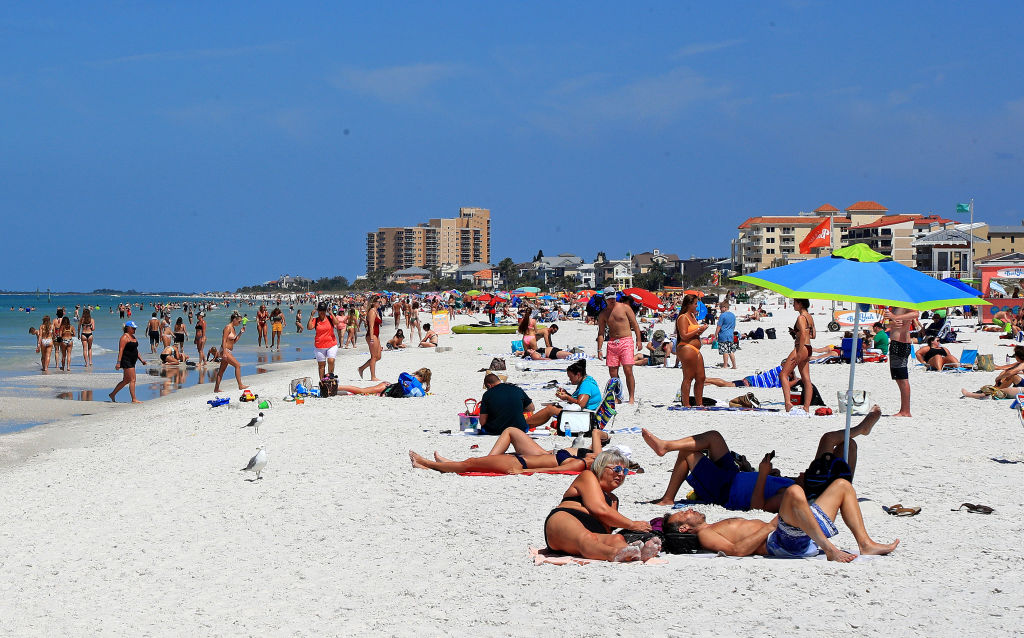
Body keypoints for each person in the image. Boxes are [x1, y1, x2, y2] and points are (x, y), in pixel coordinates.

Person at [641, 405, 881, 507]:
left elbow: (758, 506)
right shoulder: (796, 484)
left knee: (688, 453)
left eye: (804, 475)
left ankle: (668, 498)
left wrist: (764, 475)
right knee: (714, 436)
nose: (800, 473)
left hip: (726, 491)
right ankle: (665, 446)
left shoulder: (793, 493)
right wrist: (770, 474)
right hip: (736, 476)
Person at [666, 479, 898, 562]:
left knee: (842, 486)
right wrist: (768, 526)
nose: (690, 510)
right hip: (780, 542)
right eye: (684, 514)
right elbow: (736, 551)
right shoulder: (706, 534)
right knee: (794, 491)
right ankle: (829, 549)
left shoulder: (714, 526)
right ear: (685, 528)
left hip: (789, 535)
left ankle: (865, 544)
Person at [542, 449, 660, 562]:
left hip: (588, 535)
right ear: (601, 468)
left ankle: (636, 553)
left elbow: (607, 530)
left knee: (616, 538)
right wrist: (632, 524)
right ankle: (614, 553)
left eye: (624, 471)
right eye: (617, 469)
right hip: (566, 519)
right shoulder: (587, 476)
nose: (621, 474)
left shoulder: (613, 500)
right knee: (587, 538)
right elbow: (600, 509)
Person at [409, 426, 601, 474]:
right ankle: (436, 465)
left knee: (470, 465)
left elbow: (555, 470)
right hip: (520, 460)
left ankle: (426, 463)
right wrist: (598, 434)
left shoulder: (580, 462)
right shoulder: (585, 455)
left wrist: (523, 471)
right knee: (472, 464)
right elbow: (597, 444)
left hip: (518, 463)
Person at [596, 287, 644, 404]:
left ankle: (631, 397)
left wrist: (639, 340)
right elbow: (601, 333)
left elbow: (635, 324)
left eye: (613, 297)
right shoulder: (603, 314)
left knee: (628, 369)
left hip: (626, 340)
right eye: (609, 298)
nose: (611, 300)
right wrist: (599, 349)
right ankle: (617, 397)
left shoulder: (625, 308)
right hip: (612, 342)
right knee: (613, 373)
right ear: (605, 299)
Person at [525, 359, 603, 428]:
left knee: (550, 409)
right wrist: (567, 394)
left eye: (570, 377)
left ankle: (524, 423)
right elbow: (579, 400)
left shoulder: (586, 385)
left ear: (578, 375)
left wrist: (567, 397)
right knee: (552, 407)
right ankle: (529, 425)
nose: (569, 379)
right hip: (585, 412)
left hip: (585, 415)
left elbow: (581, 404)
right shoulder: (587, 380)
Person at [781, 298, 815, 413]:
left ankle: (788, 403)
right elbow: (813, 335)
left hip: (801, 347)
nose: (793, 305)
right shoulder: (809, 317)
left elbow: (804, 334)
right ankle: (806, 407)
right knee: (806, 379)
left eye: (794, 303)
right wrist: (796, 333)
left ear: (800, 304)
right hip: (808, 347)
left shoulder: (800, 317)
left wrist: (799, 353)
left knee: (783, 375)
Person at [675, 293, 709, 408]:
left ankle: (699, 403)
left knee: (701, 377)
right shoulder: (683, 317)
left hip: (695, 348)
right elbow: (684, 335)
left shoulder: (693, 316)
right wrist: (699, 329)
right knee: (688, 377)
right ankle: (686, 403)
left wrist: (701, 330)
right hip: (686, 347)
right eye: (695, 304)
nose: (696, 306)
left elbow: (694, 333)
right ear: (689, 304)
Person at [884, 306, 918, 417]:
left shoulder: (905, 303)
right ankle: (904, 410)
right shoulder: (894, 307)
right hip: (896, 343)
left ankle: (905, 411)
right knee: (899, 378)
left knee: (902, 378)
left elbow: (915, 314)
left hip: (901, 343)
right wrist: (890, 324)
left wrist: (895, 316)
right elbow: (889, 326)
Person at [110, 321, 146, 402]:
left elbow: (135, 350)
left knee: (126, 380)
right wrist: (118, 363)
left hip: (133, 361)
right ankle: (134, 399)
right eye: (133, 328)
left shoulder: (133, 337)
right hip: (126, 361)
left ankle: (112, 394)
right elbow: (121, 350)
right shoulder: (124, 338)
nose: (135, 330)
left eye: (135, 328)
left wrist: (141, 360)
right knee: (132, 380)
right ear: (128, 328)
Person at [213, 311, 248, 393]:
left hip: (228, 351)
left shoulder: (233, 329)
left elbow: (233, 341)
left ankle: (216, 389)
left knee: (221, 371)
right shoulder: (228, 328)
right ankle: (240, 385)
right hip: (224, 351)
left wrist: (240, 333)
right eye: (239, 321)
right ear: (234, 319)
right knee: (237, 365)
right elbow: (224, 340)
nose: (239, 323)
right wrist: (224, 352)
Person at [335, 368, 431, 397]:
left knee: (361, 392)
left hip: (387, 387)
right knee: (361, 390)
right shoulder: (415, 382)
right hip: (385, 388)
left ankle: (336, 391)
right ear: (424, 379)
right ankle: (337, 387)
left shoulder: (409, 378)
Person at [307, 302, 339, 379]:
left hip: (331, 344)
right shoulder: (316, 320)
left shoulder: (329, 318)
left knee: (331, 361)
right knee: (321, 366)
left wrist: (331, 313)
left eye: (324, 310)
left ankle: (330, 378)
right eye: (320, 310)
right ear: (318, 311)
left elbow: (336, 323)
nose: (322, 312)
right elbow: (309, 327)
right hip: (319, 346)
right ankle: (322, 382)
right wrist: (311, 316)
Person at [358, 297, 383, 380]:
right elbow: (371, 326)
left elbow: (378, 323)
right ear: (373, 303)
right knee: (374, 356)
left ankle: (361, 368)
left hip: (376, 335)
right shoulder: (372, 312)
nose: (380, 303)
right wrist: (372, 338)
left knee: (378, 356)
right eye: (379, 302)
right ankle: (373, 376)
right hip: (372, 335)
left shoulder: (376, 311)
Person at [714, 300, 737, 369]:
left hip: (723, 335)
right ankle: (734, 365)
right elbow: (734, 326)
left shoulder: (722, 315)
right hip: (730, 335)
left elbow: (719, 326)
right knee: (730, 351)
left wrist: (716, 334)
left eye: (721, 308)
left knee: (725, 351)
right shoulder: (733, 315)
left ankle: (725, 365)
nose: (720, 309)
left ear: (725, 307)